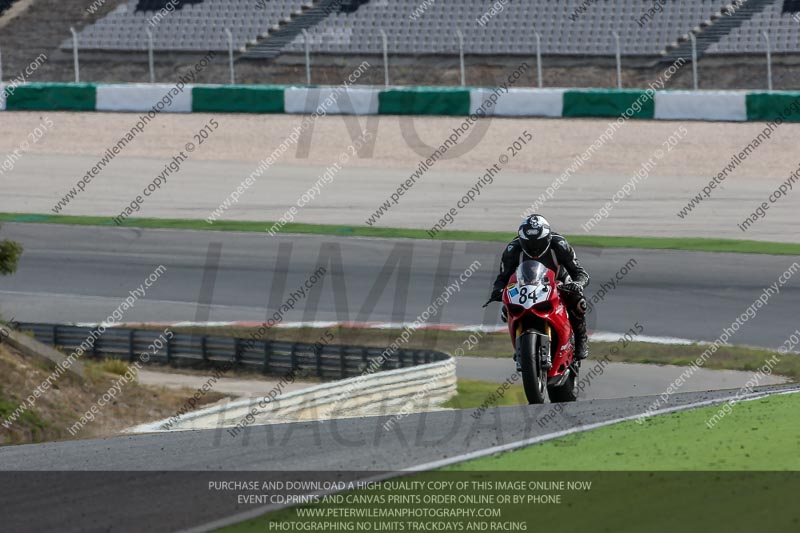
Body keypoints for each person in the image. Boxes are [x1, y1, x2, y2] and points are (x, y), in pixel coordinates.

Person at [483, 214, 590, 368]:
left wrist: (577, 284)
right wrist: (497, 291)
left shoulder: (559, 244)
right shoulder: (512, 250)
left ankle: (581, 340)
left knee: (579, 302)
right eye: (528, 243)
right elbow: (503, 277)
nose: (533, 248)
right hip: (525, 285)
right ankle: (520, 345)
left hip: (558, 281)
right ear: (521, 240)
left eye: (538, 243)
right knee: (506, 310)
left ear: (547, 238)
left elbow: (580, 272)